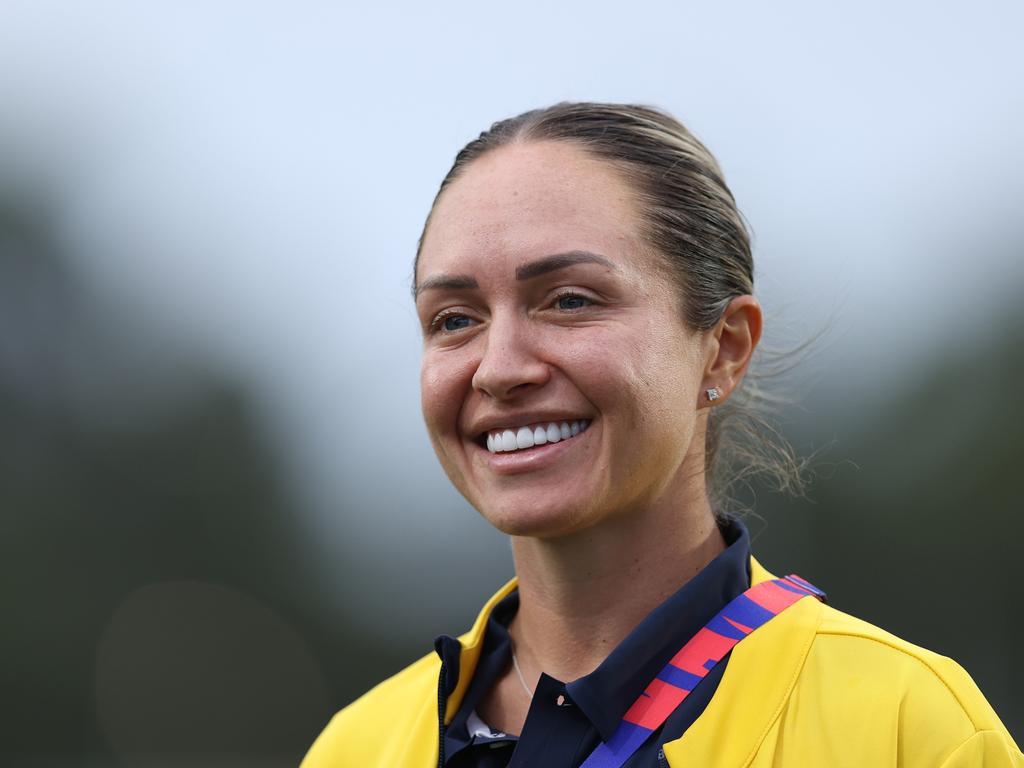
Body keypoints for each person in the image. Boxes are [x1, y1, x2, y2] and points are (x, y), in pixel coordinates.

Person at [301, 102, 1022, 767]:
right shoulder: (358, 747)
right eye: (454, 318)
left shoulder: (911, 731)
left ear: (725, 347)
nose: (499, 369)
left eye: (570, 301)